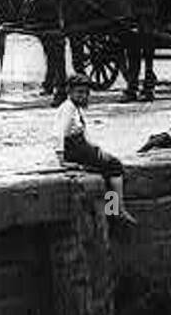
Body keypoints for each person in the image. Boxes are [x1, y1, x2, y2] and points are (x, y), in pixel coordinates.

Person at [51, 77, 136, 225]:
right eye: (78, 92)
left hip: (81, 146)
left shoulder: (75, 108)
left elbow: (84, 134)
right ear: (69, 92)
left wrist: (97, 149)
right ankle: (117, 209)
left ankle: (113, 208)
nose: (82, 96)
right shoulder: (68, 109)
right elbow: (59, 134)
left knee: (107, 167)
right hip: (75, 149)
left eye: (85, 93)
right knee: (114, 166)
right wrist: (61, 159)